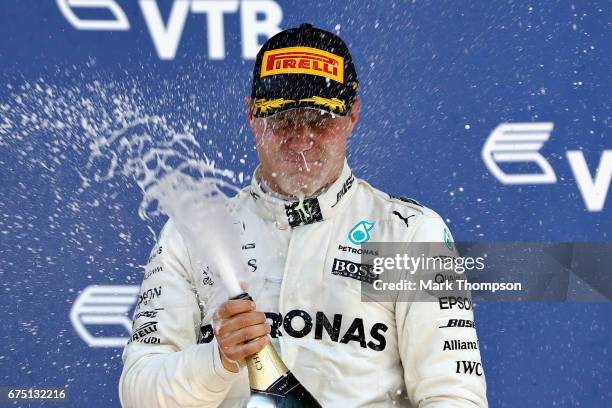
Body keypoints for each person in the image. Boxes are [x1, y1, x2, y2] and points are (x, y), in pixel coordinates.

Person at [119, 23, 488, 407]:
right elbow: (138, 393)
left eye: (320, 120)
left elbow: (453, 397)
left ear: (353, 116)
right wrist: (218, 360)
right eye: (282, 120)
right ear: (251, 115)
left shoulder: (409, 234)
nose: (301, 139)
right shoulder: (193, 234)